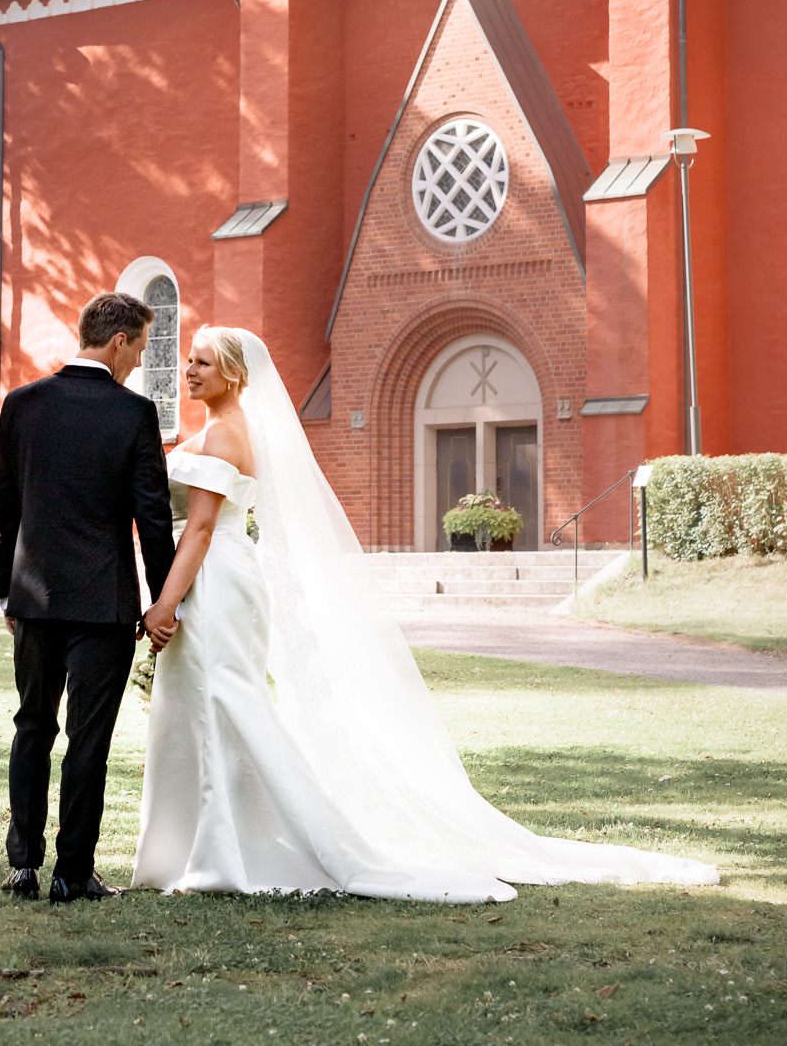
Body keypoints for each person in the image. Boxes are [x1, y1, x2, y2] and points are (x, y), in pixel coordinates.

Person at [133, 326, 719, 902]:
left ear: (234, 373)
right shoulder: (222, 429)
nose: (189, 370)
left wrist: (163, 604)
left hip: (215, 576)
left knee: (227, 701)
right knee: (213, 701)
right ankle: (212, 843)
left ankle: (239, 848)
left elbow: (204, 527)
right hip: (224, 575)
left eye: (202, 362)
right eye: (189, 360)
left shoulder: (225, 435)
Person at [0, 291, 175, 904]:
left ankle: (22, 868)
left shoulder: (21, 405)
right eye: (140, 349)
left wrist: (5, 594)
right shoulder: (134, 414)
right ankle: (72, 874)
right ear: (118, 341)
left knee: (32, 727)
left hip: (34, 601)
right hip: (104, 605)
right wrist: (164, 599)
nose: (138, 364)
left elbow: (2, 509)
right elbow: (152, 520)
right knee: (87, 740)